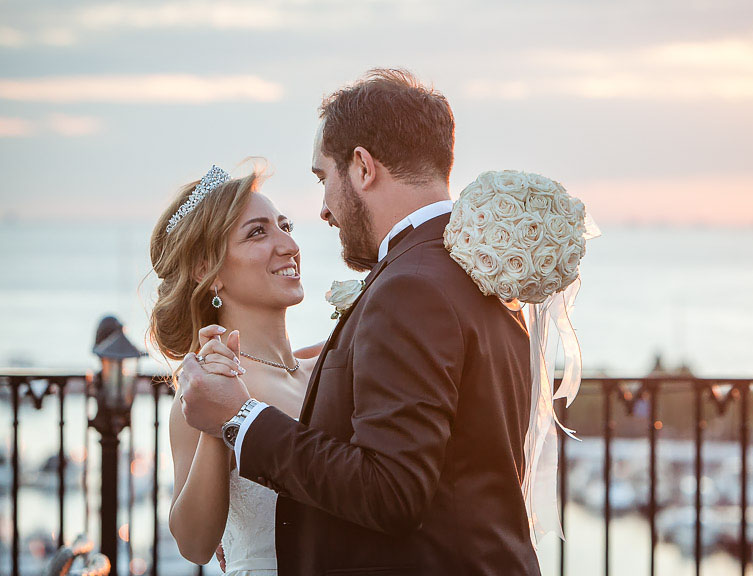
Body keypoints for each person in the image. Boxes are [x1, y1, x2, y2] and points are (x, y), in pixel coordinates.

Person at [179, 69, 542, 575]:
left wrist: (240, 421)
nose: (324, 211)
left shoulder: (410, 286)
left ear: (363, 168)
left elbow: (391, 491)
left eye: (323, 178)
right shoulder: (480, 274)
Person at [148, 164, 320, 575]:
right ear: (207, 271)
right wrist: (222, 424)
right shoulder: (205, 392)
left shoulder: (323, 366)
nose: (289, 244)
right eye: (258, 232)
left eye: (284, 225)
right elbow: (194, 545)